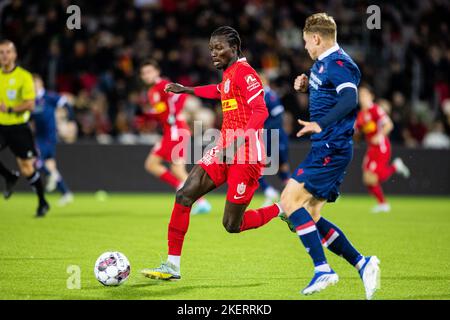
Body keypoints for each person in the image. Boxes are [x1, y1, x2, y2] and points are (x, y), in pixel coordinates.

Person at [141, 26, 283, 281]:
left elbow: (260, 112)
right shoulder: (229, 75)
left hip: (246, 153)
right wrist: (186, 89)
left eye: (219, 48)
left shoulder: (246, 74)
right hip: (223, 148)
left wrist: (238, 143)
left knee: (232, 225)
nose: (213, 53)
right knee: (185, 194)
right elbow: (217, 91)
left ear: (234, 48)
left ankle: (282, 209)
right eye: (211, 49)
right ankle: (173, 266)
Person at [275, 13, 379, 299]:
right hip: (327, 147)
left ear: (317, 38)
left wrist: (321, 122)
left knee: (288, 201)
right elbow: (330, 89)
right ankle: (362, 263)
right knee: (310, 213)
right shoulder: (323, 65)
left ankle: (323, 269)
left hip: (331, 147)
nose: (306, 47)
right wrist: (308, 86)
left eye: (307, 42)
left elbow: (349, 99)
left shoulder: (341, 64)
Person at [139, 59, 211, 214]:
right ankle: (194, 196)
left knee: (171, 168)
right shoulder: (152, 91)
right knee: (156, 165)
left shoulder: (162, 85)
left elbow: (181, 95)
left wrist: (173, 113)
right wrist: (148, 116)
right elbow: (161, 111)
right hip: (171, 132)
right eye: (144, 73)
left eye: (149, 71)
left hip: (175, 131)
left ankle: (199, 200)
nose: (146, 75)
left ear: (157, 72)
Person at [0, 39, 49, 217]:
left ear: (14, 55)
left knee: (27, 168)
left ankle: (42, 202)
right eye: (1, 52)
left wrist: (11, 108)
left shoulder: (23, 76)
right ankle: (9, 176)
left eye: (7, 52)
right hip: (1, 126)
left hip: (19, 127)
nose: (4, 56)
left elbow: (30, 104)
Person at [356, 85, 410, 213]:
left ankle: (395, 167)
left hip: (381, 147)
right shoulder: (361, 114)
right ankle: (382, 204)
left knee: (373, 177)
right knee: (367, 179)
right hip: (371, 148)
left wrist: (379, 135)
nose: (362, 98)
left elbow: (389, 125)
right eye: (360, 95)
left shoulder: (375, 109)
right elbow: (358, 134)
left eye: (364, 94)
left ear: (371, 96)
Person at [32, 74, 74, 206]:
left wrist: (70, 121)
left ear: (40, 84)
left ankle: (50, 176)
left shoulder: (48, 97)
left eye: (35, 83)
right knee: (50, 166)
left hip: (48, 137)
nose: (33, 86)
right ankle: (66, 193)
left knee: (34, 159)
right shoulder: (30, 100)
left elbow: (66, 103)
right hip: (39, 136)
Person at [258, 74, 290, 206]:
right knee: (256, 165)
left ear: (264, 81)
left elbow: (278, 118)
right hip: (267, 137)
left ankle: (291, 194)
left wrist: (264, 130)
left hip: (275, 136)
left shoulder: (270, 96)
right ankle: (269, 192)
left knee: (281, 166)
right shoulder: (259, 96)